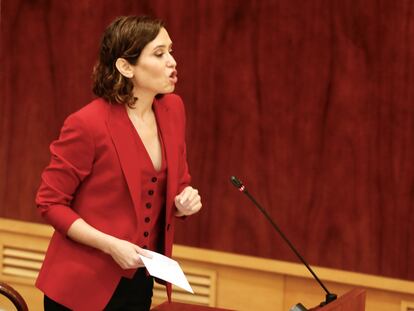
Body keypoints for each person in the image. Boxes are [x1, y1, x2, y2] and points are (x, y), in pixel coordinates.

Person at [35, 15, 202, 311]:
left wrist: (183, 202)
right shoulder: (87, 124)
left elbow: (176, 184)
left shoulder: (173, 110)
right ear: (125, 66)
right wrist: (110, 244)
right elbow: (50, 203)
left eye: (171, 51)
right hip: (80, 284)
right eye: (159, 54)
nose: (172, 62)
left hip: (139, 277)